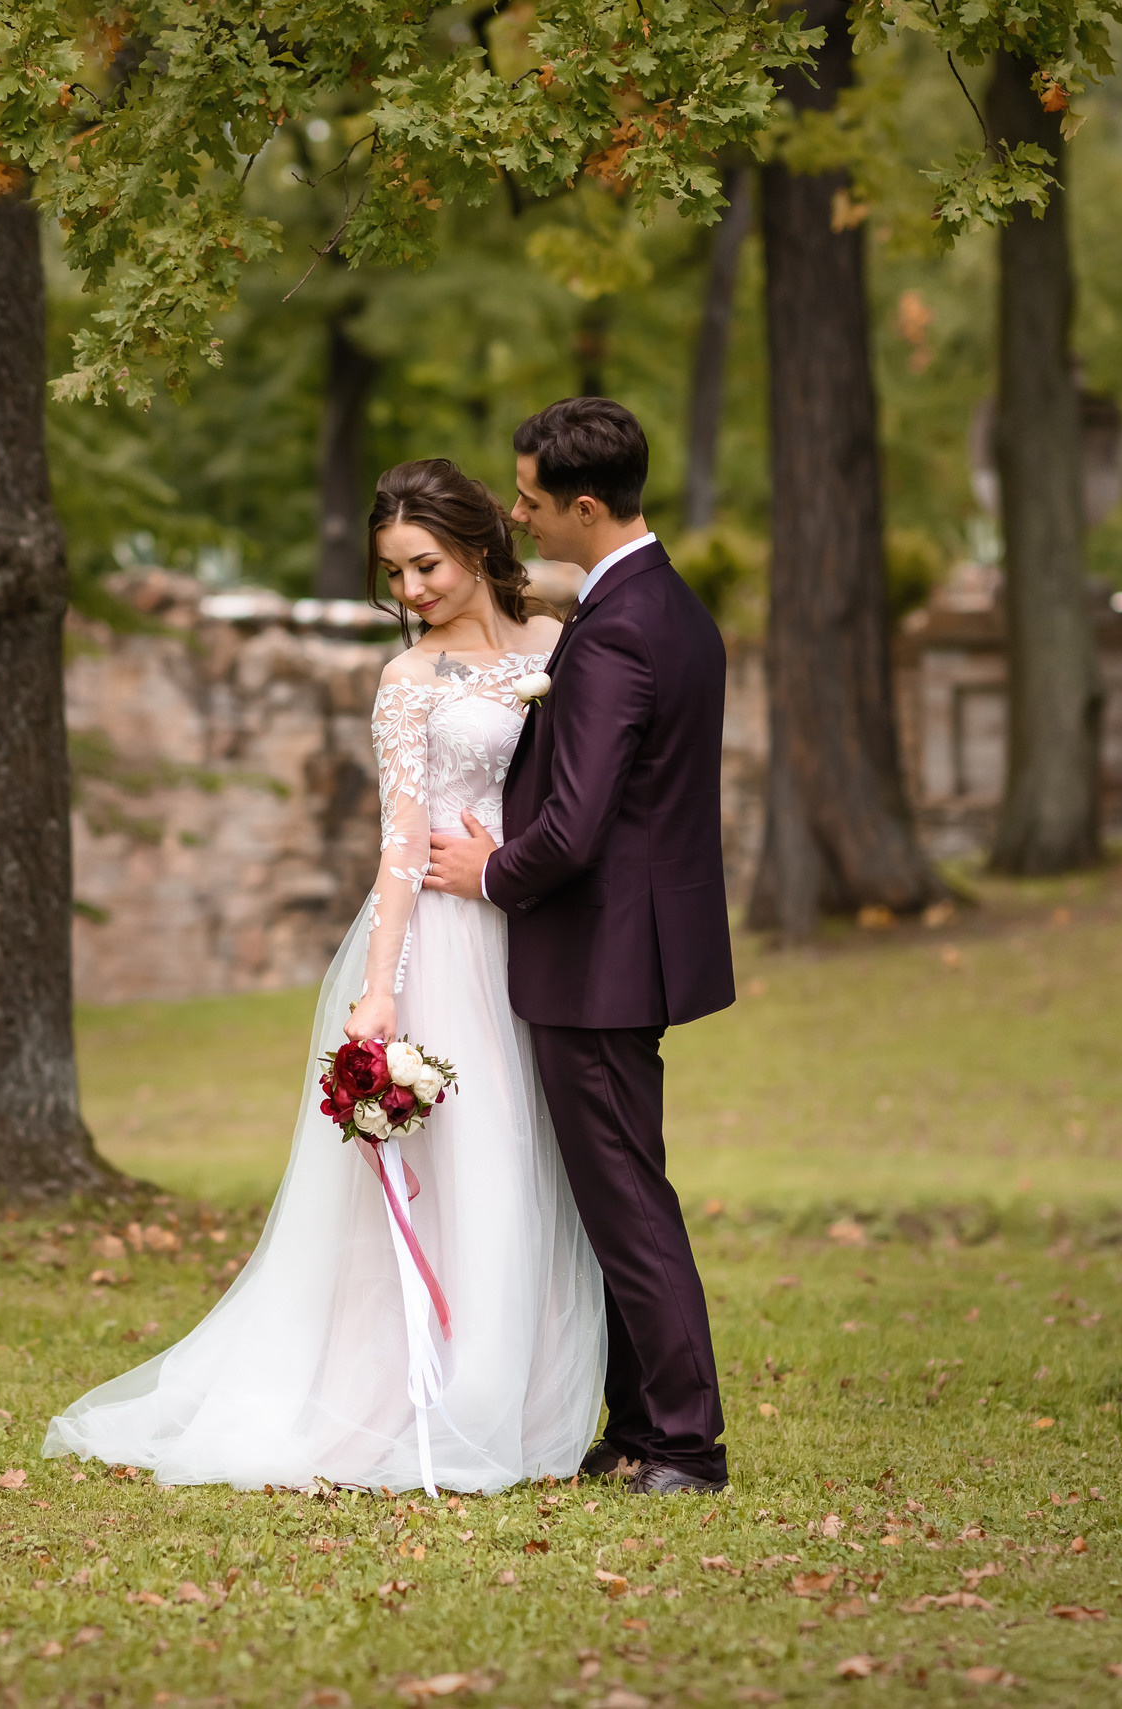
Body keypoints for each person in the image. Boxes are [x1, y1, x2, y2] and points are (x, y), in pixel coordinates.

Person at [43, 456, 607, 1493]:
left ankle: (517, 1393)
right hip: (443, 939)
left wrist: (511, 849)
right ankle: (426, 1395)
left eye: (425, 564)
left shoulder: (561, 647)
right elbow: (399, 845)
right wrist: (380, 987)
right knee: (458, 1164)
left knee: (526, 1161)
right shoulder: (407, 680)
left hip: (530, 934)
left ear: (478, 542)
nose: (414, 592)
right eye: (395, 575)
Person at [423, 396, 735, 1496]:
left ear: (587, 506)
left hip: (599, 957)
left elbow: (578, 821)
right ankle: (640, 1421)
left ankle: (687, 1445)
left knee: (626, 1196)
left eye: (531, 500)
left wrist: (486, 873)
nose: (518, 515)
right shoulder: (672, 607)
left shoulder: (616, 632)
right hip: (632, 946)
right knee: (615, 1189)